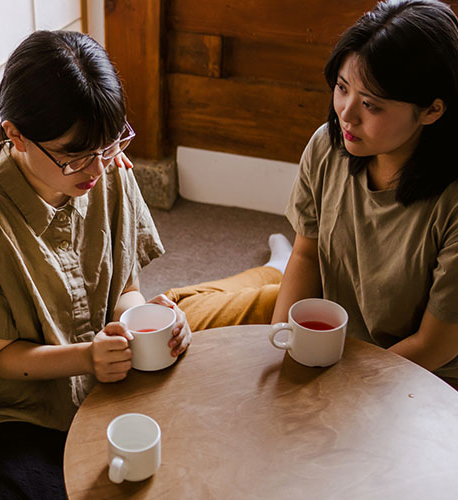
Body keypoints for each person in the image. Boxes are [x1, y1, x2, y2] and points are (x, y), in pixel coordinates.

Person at [0, 30, 192, 499]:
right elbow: (2, 359)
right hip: (15, 409)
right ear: (16, 134)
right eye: (74, 158)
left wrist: (141, 323)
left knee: (192, 446)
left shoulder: (108, 165)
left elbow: (125, 288)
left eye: (109, 146)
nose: (96, 170)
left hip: (103, 374)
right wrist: (87, 356)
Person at [168, 0, 458, 387]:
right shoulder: (329, 144)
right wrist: (278, 352)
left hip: (414, 375)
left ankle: (274, 268)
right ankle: (276, 267)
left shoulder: (451, 202)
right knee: (170, 313)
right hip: (326, 323)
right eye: (342, 88)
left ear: (432, 110)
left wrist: (337, 390)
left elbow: (433, 345)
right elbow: (308, 255)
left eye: (370, 104)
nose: (346, 114)